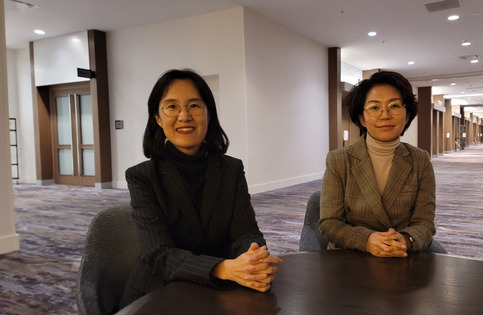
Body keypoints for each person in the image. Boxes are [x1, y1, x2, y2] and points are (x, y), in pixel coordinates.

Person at [120, 69, 282, 308]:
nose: (184, 116)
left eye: (194, 106)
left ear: (208, 113)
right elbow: (158, 255)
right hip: (158, 293)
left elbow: (245, 231)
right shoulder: (142, 176)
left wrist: (252, 258)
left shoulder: (231, 169)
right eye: (172, 107)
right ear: (157, 118)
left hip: (221, 292)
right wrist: (222, 268)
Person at [319, 71, 436, 258]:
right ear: (362, 118)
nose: (385, 115)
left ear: (407, 116)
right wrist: (366, 240)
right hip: (350, 256)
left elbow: (425, 223)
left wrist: (405, 240)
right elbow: (329, 223)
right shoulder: (338, 160)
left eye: (394, 105)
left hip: (401, 255)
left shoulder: (420, 160)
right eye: (374, 107)